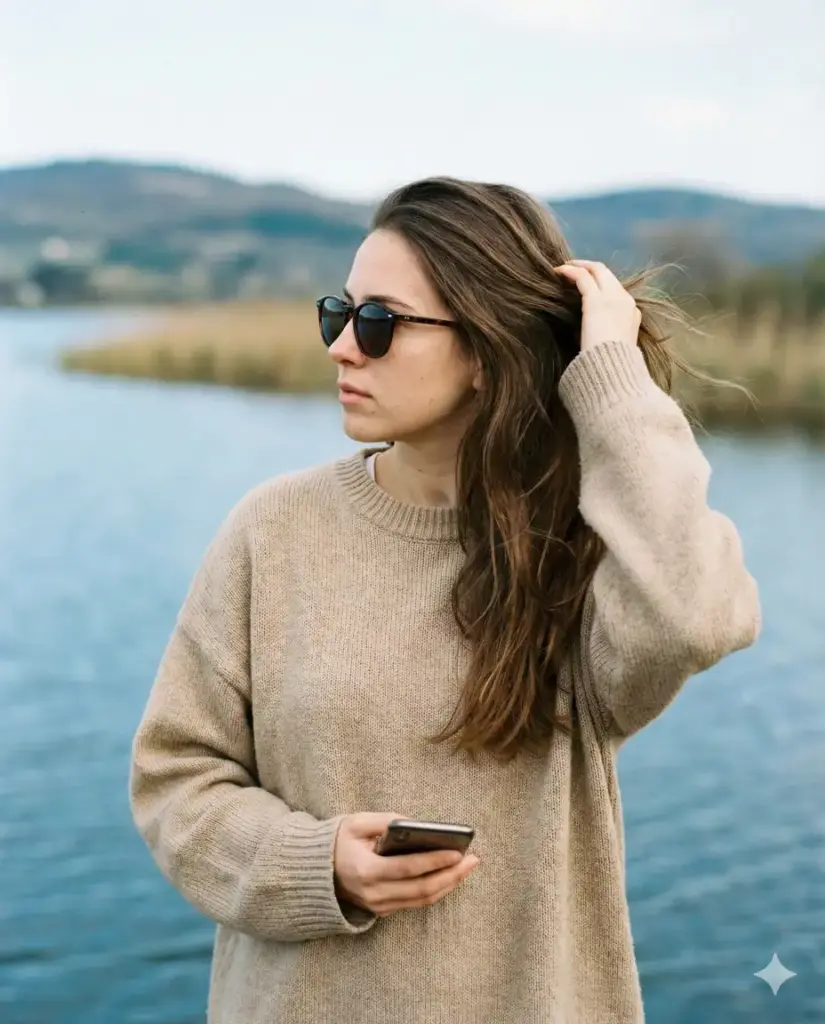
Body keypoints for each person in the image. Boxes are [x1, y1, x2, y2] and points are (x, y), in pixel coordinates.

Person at [129, 176, 760, 1024]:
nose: (342, 347)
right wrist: (313, 864)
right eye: (338, 313)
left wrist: (608, 371)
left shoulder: (582, 554)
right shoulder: (272, 530)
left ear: (484, 349)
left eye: (381, 323)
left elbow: (695, 613)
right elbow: (175, 779)